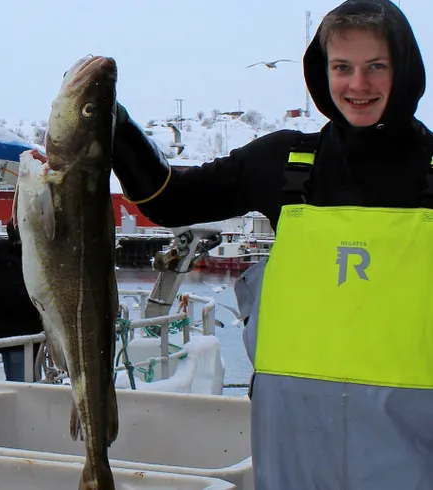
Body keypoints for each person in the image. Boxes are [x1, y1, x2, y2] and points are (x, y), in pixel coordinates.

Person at [109, 0, 433, 488]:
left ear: (404, 69)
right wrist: (112, 126)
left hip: (411, 454)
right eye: (342, 67)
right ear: (322, 72)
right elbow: (170, 200)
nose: (357, 85)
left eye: (376, 67)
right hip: (294, 454)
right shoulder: (285, 161)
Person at [0, 222, 44, 382]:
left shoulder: (10, 262)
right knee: (22, 385)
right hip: (18, 337)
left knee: (28, 383)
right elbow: (17, 301)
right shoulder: (7, 265)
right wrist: (42, 306)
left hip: (25, 337)